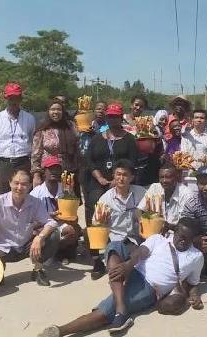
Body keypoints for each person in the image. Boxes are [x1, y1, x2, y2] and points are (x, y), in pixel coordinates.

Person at [38, 217, 204, 337]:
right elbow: (141, 252)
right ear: (174, 231)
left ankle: (60, 331)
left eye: (187, 239)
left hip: (149, 288)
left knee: (105, 312)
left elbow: (193, 282)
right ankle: (121, 308)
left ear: (193, 238)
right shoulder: (159, 239)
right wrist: (127, 266)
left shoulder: (196, 257)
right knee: (115, 245)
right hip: (134, 270)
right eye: (180, 236)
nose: (182, 241)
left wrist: (194, 296)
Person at [0, 170, 60, 286]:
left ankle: (38, 269)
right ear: (10, 183)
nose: (19, 187)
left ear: (29, 186)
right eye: (16, 183)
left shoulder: (35, 202)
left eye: (24, 184)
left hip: (24, 246)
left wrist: (40, 238)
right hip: (1, 248)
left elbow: (51, 222)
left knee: (54, 235)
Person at [85, 103, 139, 277]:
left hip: (120, 181)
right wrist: (100, 178)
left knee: (119, 212)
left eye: (116, 116)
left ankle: (118, 247)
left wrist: (116, 180)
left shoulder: (129, 139)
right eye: (110, 116)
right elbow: (90, 161)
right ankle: (96, 260)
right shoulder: (97, 138)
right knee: (94, 209)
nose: (113, 119)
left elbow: (133, 162)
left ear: (121, 117)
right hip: (98, 181)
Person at [93, 159, 147, 280]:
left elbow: (151, 213)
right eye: (118, 174)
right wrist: (102, 222)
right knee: (115, 261)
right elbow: (95, 223)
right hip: (115, 239)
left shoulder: (141, 192)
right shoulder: (106, 198)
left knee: (138, 260)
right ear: (114, 176)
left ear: (132, 177)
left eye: (125, 175)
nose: (121, 178)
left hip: (135, 239)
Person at [29, 156, 80, 264]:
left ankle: (61, 253)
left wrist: (70, 196)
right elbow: (29, 221)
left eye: (57, 169)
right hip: (44, 226)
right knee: (37, 232)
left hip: (62, 224)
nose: (54, 172)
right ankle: (47, 252)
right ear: (44, 171)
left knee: (72, 230)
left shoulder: (66, 189)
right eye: (50, 169)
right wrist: (48, 217)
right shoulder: (36, 193)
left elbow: (75, 216)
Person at [0, 82, 36, 194]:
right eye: (11, 98)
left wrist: (34, 168)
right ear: (6, 98)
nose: (13, 101)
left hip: (23, 162)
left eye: (16, 98)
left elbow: (34, 144)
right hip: (4, 164)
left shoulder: (30, 119)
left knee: (24, 197)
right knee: (4, 198)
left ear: (20, 99)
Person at [31, 98, 79, 188]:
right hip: (49, 173)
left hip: (69, 173)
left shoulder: (71, 126)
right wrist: (36, 175)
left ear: (63, 111)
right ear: (48, 112)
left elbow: (78, 147)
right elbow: (36, 154)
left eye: (59, 109)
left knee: (68, 200)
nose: (56, 112)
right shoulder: (43, 129)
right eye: (53, 109)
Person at [137, 163, 193, 232]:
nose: (164, 181)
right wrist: (142, 223)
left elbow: (186, 225)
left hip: (176, 235)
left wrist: (168, 226)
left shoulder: (185, 194)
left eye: (168, 177)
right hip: (154, 233)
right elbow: (139, 210)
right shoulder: (155, 188)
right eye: (161, 177)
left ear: (176, 178)